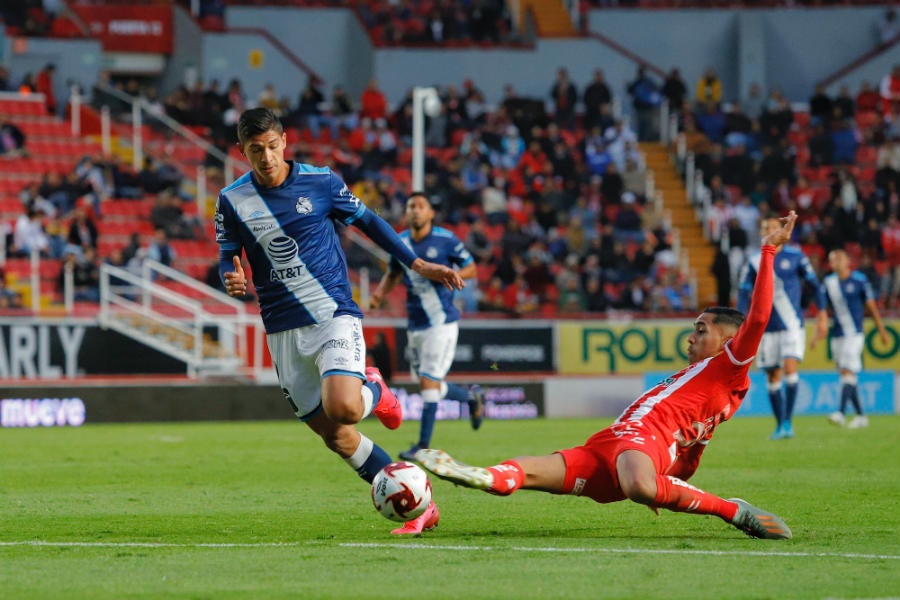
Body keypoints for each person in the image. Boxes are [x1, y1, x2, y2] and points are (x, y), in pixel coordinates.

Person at [417, 214, 800, 541]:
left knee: (636, 485)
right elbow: (688, 452)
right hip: (622, 441)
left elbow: (760, 319)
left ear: (730, 341)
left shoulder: (727, 369)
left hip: (636, 445)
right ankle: (484, 475)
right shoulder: (707, 377)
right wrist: (662, 485)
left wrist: (768, 250)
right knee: (545, 478)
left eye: (701, 329)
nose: (691, 336)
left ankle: (724, 508)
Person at [216, 107, 464, 535]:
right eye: (256, 150)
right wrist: (231, 276)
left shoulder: (321, 181)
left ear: (284, 141)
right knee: (337, 436)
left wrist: (417, 263)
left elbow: (371, 223)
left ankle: (375, 388)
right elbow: (227, 254)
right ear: (242, 151)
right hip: (281, 330)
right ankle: (419, 506)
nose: (267, 157)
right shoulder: (232, 200)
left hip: (332, 313)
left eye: (273, 147)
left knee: (344, 408)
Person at [369, 193, 485, 461]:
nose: (416, 211)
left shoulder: (446, 239)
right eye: (411, 207)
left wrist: (452, 273)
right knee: (429, 383)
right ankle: (470, 398)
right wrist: (378, 294)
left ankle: (422, 447)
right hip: (416, 323)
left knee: (428, 383)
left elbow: (472, 268)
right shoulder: (401, 241)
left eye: (421, 206)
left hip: (441, 321)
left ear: (431, 213)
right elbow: (394, 272)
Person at [737, 216, 827, 440]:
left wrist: (823, 314)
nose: (769, 230)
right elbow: (742, 292)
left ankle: (788, 421)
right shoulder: (753, 261)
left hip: (792, 324)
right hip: (765, 328)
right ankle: (781, 425)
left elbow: (815, 285)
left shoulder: (796, 256)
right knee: (773, 376)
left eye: (773, 227)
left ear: (783, 232)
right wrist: (740, 321)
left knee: (789, 368)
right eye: (765, 227)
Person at [810, 249, 889, 429]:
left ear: (847, 261)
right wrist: (816, 334)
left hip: (854, 334)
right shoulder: (829, 283)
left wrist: (882, 330)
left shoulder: (859, 280)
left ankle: (840, 412)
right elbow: (822, 311)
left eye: (839, 258)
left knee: (847, 371)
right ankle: (861, 416)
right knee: (847, 375)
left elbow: (872, 307)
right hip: (837, 334)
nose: (835, 262)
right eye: (832, 259)